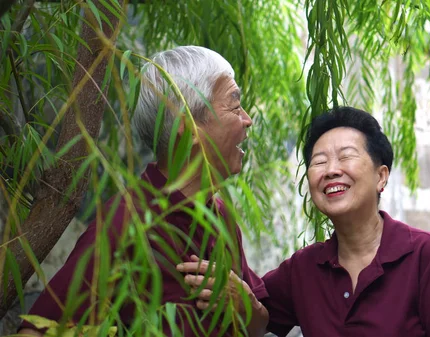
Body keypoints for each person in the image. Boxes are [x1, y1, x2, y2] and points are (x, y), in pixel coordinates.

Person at [18, 46, 269, 336]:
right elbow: (34, 331)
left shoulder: (221, 215)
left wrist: (246, 304)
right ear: (188, 127)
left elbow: (258, 326)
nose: (247, 119)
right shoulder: (123, 224)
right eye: (235, 106)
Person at [261, 106, 430, 336]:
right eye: (319, 162)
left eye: (346, 156)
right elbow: (244, 313)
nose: (331, 170)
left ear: (381, 176)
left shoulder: (427, 256)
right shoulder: (303, 269)